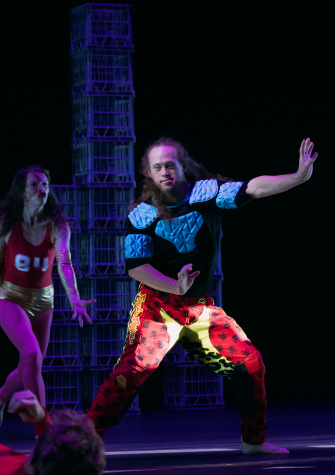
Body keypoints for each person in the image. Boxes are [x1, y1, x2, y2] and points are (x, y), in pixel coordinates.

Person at [86, 137, 318, 454]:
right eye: (157, 167)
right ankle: (85, 437)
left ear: (183, 166)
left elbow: (252, 188)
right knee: (132, 372)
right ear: (149, 174)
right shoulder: (142, 215)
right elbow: (136, 267)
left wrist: (297, 177)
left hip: (198, 310)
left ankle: (254, 441)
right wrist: (174, 286)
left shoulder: (208, 196)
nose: (165, 171)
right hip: (158, 308)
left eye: (170, 164)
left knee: (249, 363)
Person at [0, 165, 95, 429]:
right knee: (32, 354)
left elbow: (64, 263)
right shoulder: (6, 221)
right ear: (22, 192)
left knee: (31, 364)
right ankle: (44, 429)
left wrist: (74, 298)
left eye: (45, 184)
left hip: (44, 301)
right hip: (10, 298)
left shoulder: (57, 225)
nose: (41, 189)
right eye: (34, 184)